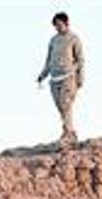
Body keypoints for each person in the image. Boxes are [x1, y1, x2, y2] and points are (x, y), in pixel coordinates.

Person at [36, 12, 84, 147]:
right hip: (54, 79)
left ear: (66, 23)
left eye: (59, 25)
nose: (57, 28)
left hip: (69, 77)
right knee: (61, 108)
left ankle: (68, 134)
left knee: (66, 105)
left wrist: (80, 79)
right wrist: (42, 75)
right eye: (55, 25)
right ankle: (70, 133)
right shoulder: (53, 40)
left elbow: (81, 60)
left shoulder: (74, 38)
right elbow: (48, 60)